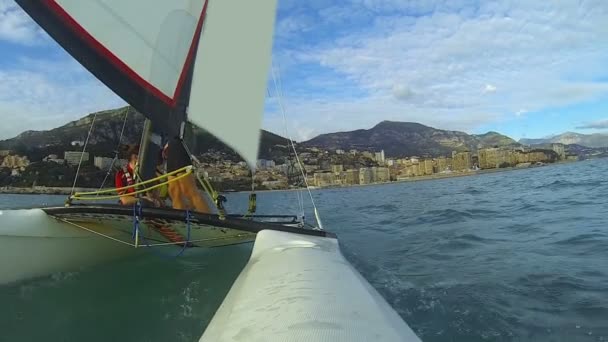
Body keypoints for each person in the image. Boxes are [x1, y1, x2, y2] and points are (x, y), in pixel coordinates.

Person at [164, 136, 211, 213]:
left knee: (188, 189)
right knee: (174, 190)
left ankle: (208, 220)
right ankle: (180, 221)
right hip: (170, 144)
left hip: (179, 141)